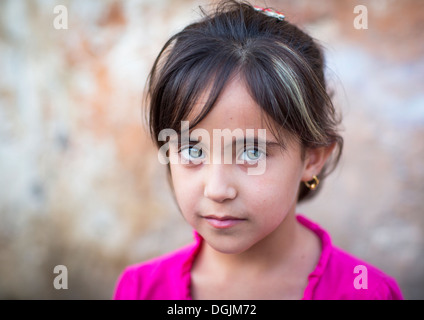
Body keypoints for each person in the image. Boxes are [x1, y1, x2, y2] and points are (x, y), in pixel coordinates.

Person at [113, 0, 403, 300]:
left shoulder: (367, 293)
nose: (217, 190)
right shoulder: (142, 290)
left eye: (251, 153)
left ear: (313, 158)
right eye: (193, 151)